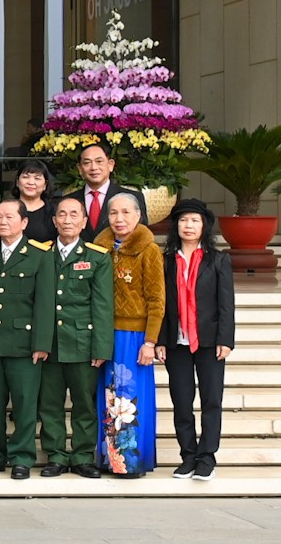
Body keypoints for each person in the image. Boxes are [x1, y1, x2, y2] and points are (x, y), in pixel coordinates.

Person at [0, 199, 53, 480]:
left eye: (9, 217)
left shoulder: (40, 255)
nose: (2, 222)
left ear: (24, 222)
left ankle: (22, 457)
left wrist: (42, 343)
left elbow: (44, 303)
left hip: (23, 343)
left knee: (24, 405)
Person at [157, 198, 235, 481]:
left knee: (212, 400)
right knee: (181, 400)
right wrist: (160, 340)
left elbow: (227, 303)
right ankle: (188, 456)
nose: (188, 226)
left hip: (210, 341)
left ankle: (207, 457)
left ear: (205, 226)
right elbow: (161, 303)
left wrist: (225, 339)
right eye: (183, 220)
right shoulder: (165, 260)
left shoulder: (219, 259)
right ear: (175, 225)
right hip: (176, 342)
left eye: (194, 220)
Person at [38, 196, 111, 478]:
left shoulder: (97, 257)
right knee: (50, 404)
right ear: (54, 221)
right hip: (50, 344)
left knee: (84, 404)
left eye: (73, 215)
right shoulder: (41, 253)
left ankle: (82, 456)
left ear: (84, 222)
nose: (67, 220)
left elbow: (102, 306)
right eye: (62, 215)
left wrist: (101, 346)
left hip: (82, 343)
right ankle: (55, 455)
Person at [93, 191, 164, 477]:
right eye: (113, 213)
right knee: (108, 397)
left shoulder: (149, 249)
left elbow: (157, 299)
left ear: (138, 216)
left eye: (126, 213)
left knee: (130, 399)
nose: (119, 219)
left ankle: (131, 461)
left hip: (134, 336)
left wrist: (150, 341)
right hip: (105, 333)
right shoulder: (100, 248)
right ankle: (109, 459)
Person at [67, 143, 141, 240]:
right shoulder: (68, 201)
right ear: (80, 169)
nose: (93, 167)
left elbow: (140, 236)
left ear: (110, 165)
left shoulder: (132, 198)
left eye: (99, 161)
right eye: (87, 163)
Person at [13, 158, 58, 244]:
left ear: (45, 185)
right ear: (17, 182)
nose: (31, 182)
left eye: (37, 178)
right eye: (26, 177)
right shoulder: (5, 208)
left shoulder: (54, 211)